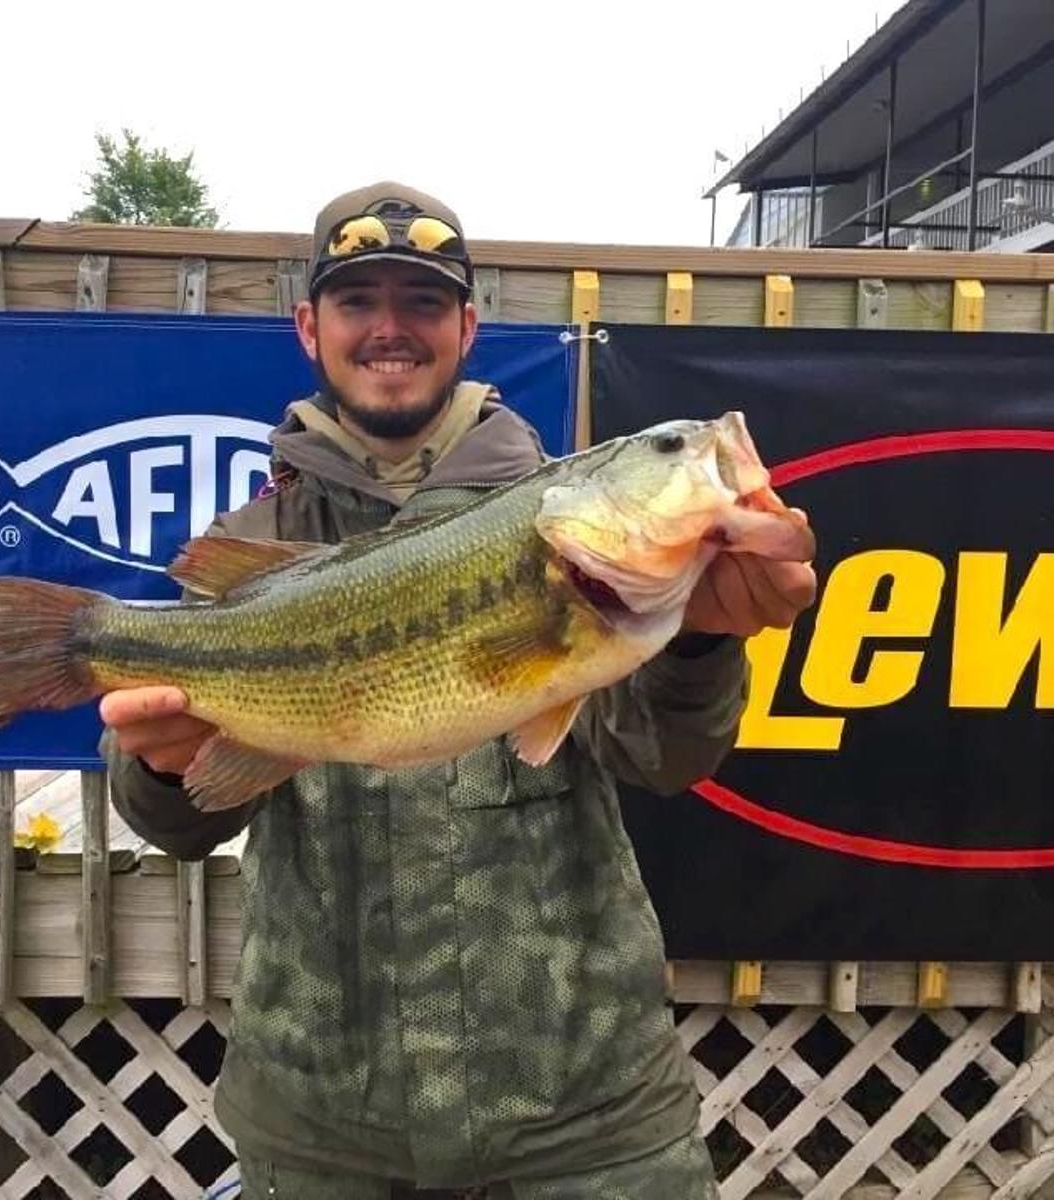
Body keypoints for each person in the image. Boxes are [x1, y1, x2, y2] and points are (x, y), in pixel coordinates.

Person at [101, 182, 817, 1199]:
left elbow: (665, 758)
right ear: (310, 327)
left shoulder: (574, 532)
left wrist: (700, 645)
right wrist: (160, 769)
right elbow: (172, 821)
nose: (390, 329)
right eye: (358, 303)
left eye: (423, 303)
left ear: (468, 327)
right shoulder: (257, 547)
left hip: (588, 1123)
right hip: (321, 1130)